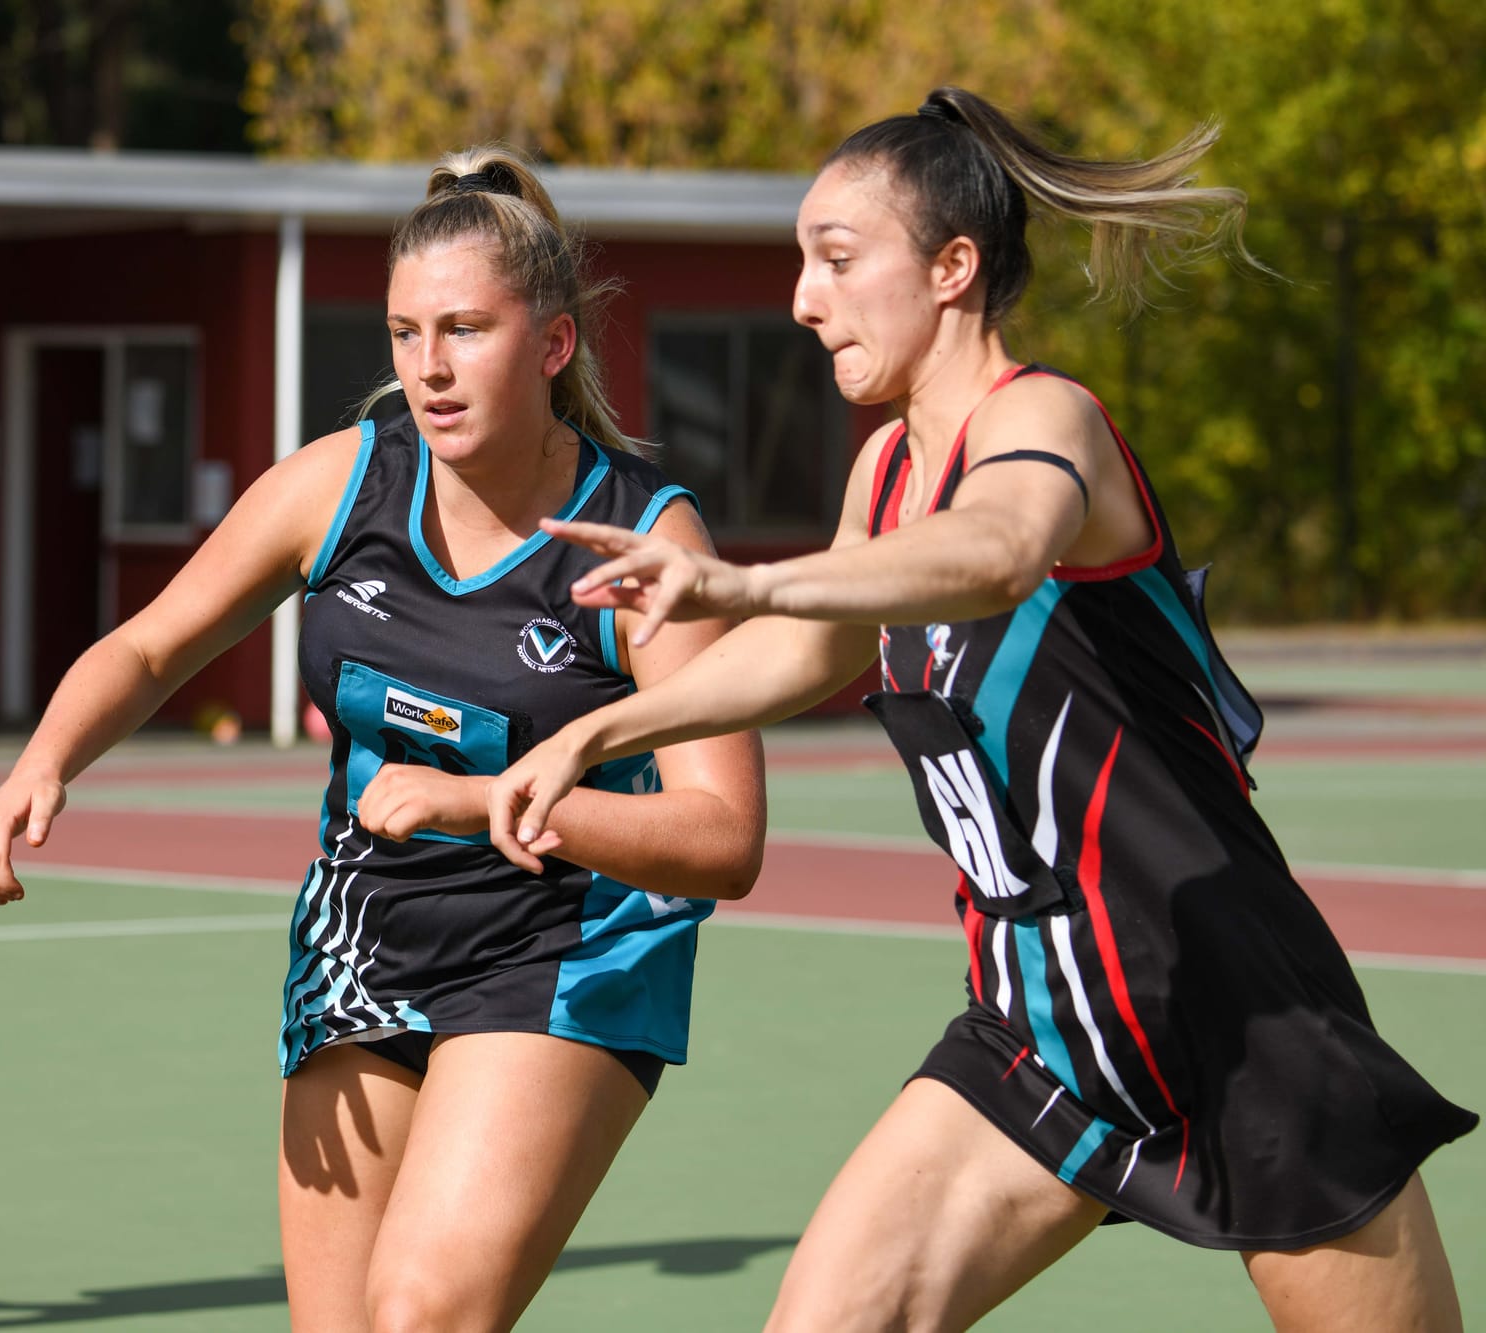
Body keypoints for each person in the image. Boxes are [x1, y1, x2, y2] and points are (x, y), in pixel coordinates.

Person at [486, 87, 1476, 1330]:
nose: (803, 298)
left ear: (952, 268)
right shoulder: (885, 466)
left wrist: (740, 574)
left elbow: (1000, 549)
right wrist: (597, 732)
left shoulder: (1044, 421)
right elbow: (808, 648)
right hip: (1040, 1030)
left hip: (1236, 1012)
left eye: (837, 260)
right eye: (802, 263)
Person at [0, 148, 765, 1332]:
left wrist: (475, 801)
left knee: (420, 1315)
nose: (427, 369)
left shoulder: (640, 539)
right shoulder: (341, 486)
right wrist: (41, 764)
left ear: (550, 345)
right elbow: (145, 648)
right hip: (367, 930)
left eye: (464, 331)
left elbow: (722, 838)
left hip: (564, 943)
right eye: (401, 332)